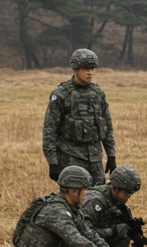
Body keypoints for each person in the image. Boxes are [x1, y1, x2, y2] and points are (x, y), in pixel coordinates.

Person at [43, 49, 116, 187]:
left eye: (93, 68)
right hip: (70, 157)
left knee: (97, 198)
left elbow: (107, 125)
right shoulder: (61, 95)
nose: (90, 72)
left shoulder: (98, 92)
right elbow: (49, 131)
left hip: (95, 158)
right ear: (74, 69)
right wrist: (53, 163)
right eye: (86, 69)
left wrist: (111, 155)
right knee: (74, 199)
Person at [80, 165, 142, 247]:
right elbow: (82, 232)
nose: (129, 196)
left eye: (131, 193)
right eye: (126, 192)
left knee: (124, 238)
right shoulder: (93, 201)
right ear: (114, 187)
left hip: (97, 239)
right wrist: (112, 230)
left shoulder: (117, 200)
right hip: (80, 243)